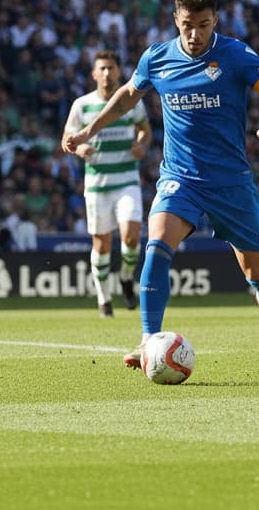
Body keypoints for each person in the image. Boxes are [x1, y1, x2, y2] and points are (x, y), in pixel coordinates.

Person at [64, 0, 259, 368]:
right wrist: (89, 130)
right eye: (187, 24)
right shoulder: (156, 58)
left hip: (230, 182)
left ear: (215, 20)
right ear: (176, 20)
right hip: (180, 179)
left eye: (203, 25)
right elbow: (126, 96)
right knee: (155, 245)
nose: (194, 34)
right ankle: (147, 339)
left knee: (256, 270)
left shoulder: (237, 55)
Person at [64, 50, 153, 317]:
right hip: (97, 183)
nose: (106, 73)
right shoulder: (82, 105)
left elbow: (145, 130)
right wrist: (79, 151)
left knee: (131, 236)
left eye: (111, 68)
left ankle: (126, 277)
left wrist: (142, 144)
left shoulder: (132, 101)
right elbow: (67, 139)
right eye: (101, 68)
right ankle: (104, 298)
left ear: (118, 71)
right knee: (101, 245)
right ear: (94, 74)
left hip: (126, 179)